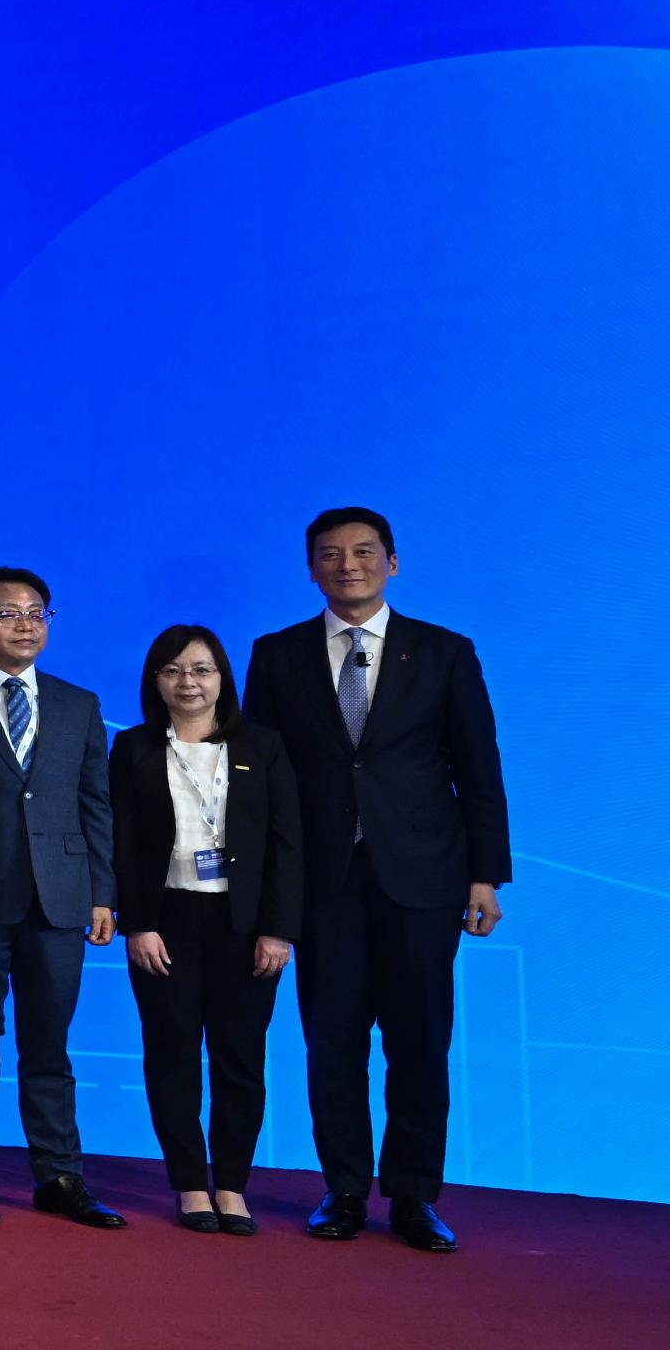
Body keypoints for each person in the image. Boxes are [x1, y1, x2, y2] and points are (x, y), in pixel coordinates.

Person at [251, 507, 507, 1254]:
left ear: (392, 562)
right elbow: (262, 777)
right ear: (311, 568)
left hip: (424, 874)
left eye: (364, 552)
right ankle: (345, 1187)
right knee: (331, 1040)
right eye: (330, 554)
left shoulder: (444, 651)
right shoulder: (278, 653)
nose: (348, 565)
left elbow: (478, 767)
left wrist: (486, 874)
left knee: (420, 1040)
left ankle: (416, 1194)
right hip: (322, 878)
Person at [0, 567, 122, 1230]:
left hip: (61, 897)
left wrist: (102, 892)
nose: (25, 623)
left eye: (37, 612)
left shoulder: (78, 702)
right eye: (8, 612)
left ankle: (61, 1174)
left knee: (50, 1045)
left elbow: (94, 805)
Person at [113, 626, 303, 1236]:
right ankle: (191, 1184)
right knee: (171, 1053)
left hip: (245, 927)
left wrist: (278, 930)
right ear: (155, 681)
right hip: (165, 922)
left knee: (240, 1058)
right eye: (172, 671)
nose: (187, 682)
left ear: (223, 677)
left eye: (201, 669)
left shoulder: (264, 746)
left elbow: (286, 846)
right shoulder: (135, 748)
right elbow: (121, 843)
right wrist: (136, 924)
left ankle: (233, 1186)